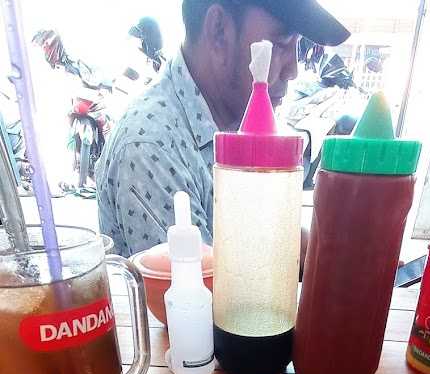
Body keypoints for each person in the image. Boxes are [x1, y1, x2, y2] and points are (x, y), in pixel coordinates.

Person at [96, 0, 349, 257]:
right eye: (282, 44)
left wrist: (340, 254)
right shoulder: (151, 146)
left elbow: (271, 235)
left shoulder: (237, 122)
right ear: (219, 31)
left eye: (298, 47)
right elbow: (197, 290)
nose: (293, 71)